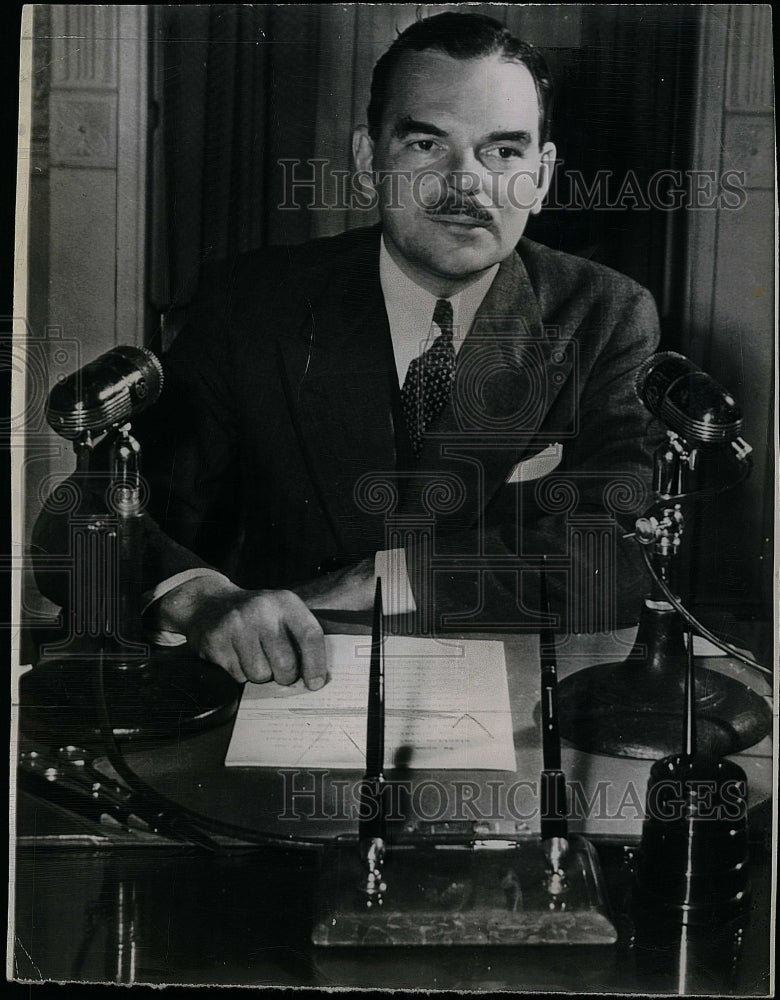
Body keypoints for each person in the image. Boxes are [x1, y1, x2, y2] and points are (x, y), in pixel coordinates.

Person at [34, 12, 663, 691]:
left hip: (507, 708)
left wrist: (385, 577)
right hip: (284, 694)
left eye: (504, 153)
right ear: (369, 161)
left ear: (541, 177)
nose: (469, 183)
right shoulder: (254, 303)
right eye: (427, 144)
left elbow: (629, 552)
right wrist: (200, 597)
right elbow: (81, 517)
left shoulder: (605, 314)